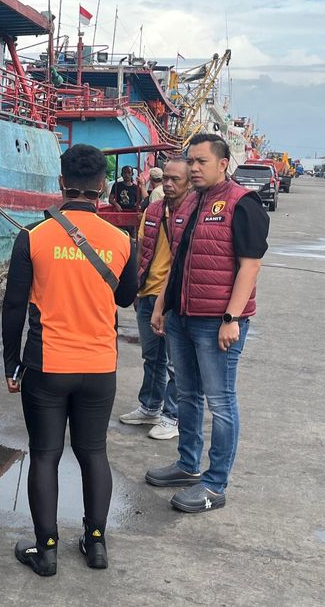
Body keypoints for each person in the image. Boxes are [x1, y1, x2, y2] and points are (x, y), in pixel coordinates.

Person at [2, 144, 139, 576]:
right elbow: (126, 297)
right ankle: (96, 545)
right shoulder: (121, 241)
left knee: (44, 456)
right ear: (102, 186)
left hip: (47, 365)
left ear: (61, 182)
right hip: (99, 365)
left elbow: (12, 305)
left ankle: (46, 552)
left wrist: (11, 364)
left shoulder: (33, 236)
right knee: (93, 453)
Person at [147, 134, 269, 513]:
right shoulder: (188, 204)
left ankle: (214, 485)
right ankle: (188, 465)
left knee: (220, 402)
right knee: (187, 395)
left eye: (201, 161)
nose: (194, 168)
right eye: (191, 161)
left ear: (222, 163)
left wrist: (231, 318)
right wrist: (161, 306)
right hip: (182, 317)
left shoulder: (242, 204)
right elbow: (177, 261)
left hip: (216, 322)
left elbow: (250, 265)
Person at [119, 158, 188, 440]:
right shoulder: (153, 209)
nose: (169, 184)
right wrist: (136, 286)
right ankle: (150, 406)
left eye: (176, 180)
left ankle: (173, 416)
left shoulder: (191, 214)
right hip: (146, 293)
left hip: (172, 299)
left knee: (175, 363)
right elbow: (141, 250)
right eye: (165, 179)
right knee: (152, 357)